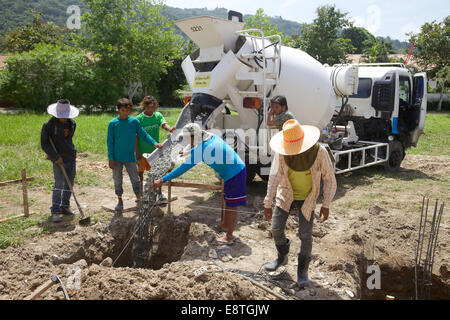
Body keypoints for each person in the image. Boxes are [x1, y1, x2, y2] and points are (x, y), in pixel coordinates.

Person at [263, 119, 337, 289]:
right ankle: (282, 256)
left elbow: (329, 178)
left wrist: (326, 204)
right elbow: (274, 177)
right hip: (286, 193)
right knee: (275, 228)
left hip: (307, 197)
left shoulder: (320, 152)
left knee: (305, 234)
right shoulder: (282, 153)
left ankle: (302, 271)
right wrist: (268, 202)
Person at [152, 123, 247, 246]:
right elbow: (197, 149)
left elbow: (183, 168)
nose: (186, 139)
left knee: (232, 205)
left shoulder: (203, 149)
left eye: (187, 137)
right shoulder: (210, 137)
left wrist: (162, 180)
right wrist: (186, 152)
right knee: (227, 200)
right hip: (232, 172)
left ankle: (228, 237)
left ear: (194, 136)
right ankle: (224, 225)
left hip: (235, 174)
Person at [107, 98, 163, 213]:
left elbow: (143, 134)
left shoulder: (134, 122)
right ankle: (120, 200)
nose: (125, 113)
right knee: (117, 180)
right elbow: (110, 142)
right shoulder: (113, 123)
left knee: (136, 179)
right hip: (116, 158)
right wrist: (111, 158)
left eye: (128, 111)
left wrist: (154, 143)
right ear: (118, 110)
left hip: (130, 157)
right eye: (123, 110)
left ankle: (139, 199)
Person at [41, 99, 80, 223]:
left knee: (69, 183)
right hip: (58, 158)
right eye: (62, 116)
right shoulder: (48, 125)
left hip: (70, 156)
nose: (64, 119)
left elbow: (68, 140)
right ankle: (55, 210)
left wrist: (70, 153)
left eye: (66, 116)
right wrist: (54, 156)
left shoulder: (72, 123)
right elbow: (45, 144)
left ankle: (65, 205)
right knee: (58, 184)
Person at [135, 96, 175, 203]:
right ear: (144, 106)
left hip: (155, 150)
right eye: (148, 107)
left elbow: (163, 124)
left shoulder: (157, 116)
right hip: (142, 152)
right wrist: (137, 152)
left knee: (157, 173)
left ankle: (160, 193)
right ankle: (141, 195)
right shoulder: (139, 119)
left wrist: (170, 129)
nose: (151, 109)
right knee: (140, 174)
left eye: (153, 107)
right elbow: (136, 137)